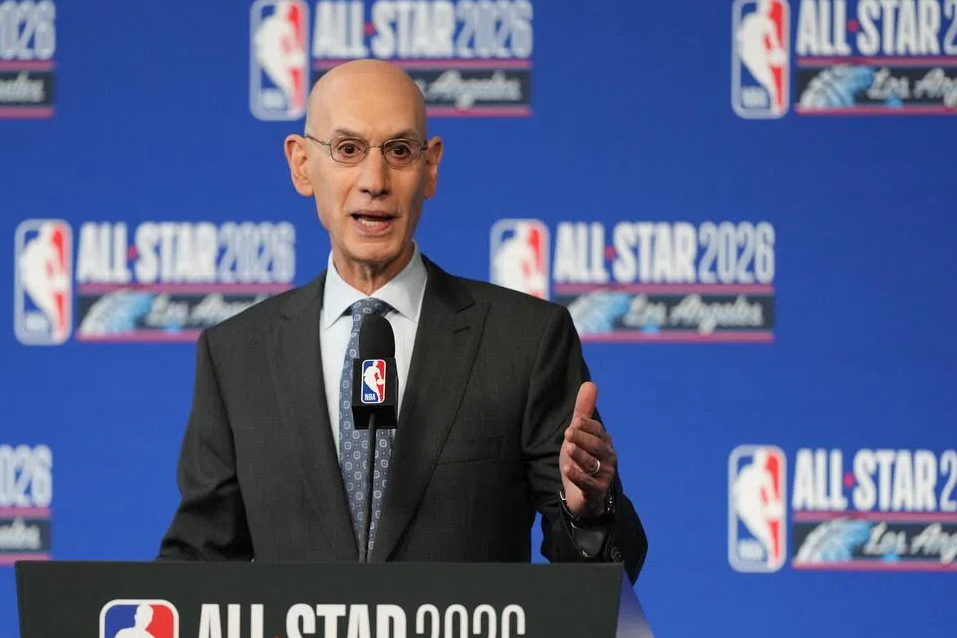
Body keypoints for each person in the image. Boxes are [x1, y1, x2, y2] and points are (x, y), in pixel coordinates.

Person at [157, 60, 647, 581]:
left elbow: (600, 578)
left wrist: (589, 512)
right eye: (348, 149)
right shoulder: (237, 355)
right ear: (301, 164)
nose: (375, 181)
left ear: (430, 167)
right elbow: (196, 568)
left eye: (399, 151)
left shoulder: (524, 342)